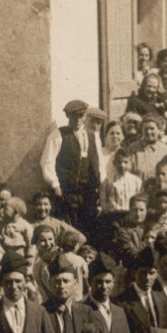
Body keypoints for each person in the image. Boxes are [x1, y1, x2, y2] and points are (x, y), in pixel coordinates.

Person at [40, 100, 106, 238]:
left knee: (88, 230)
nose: (77, 119)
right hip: (66, 193)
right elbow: (47, 162)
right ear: (68, 116)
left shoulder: (93, 136)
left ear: (85, 116)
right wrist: (55, 184)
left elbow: (99, 164)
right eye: (73, 116)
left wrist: (101, 187)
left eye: (80, 115)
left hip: (87, 194)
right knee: (69, 231)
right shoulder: (58, 135)